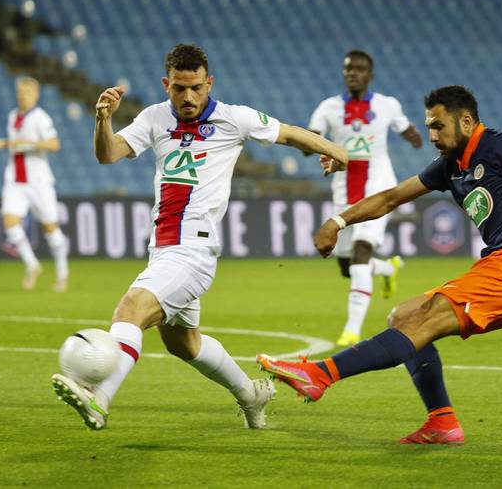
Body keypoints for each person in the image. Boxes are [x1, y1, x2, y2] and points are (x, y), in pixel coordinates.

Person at [51, 43, 348, 431]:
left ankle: (99, 397)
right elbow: (108, 154)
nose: (188, 97)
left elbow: (289, 133)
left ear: (209, 83)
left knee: (131, 309)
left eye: (196, 88)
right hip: (163, 249)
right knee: (184, 345)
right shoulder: (154, 117)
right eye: (179, 88)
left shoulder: (233, 118)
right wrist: (102, 120)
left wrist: (335, 150)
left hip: (193, 249)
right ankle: (250, 393)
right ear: (166, 85)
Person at [257, 85, 502, 444]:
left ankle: (320, 374)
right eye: (428, 128)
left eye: (439, 126)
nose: (432, 136)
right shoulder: (451, 166)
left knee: (424, 320)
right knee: (403, 316)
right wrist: (338, 221)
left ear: (466, 120)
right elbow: (391, 198)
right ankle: (442, 422)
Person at [307, 50, 423, 347]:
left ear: (370, 75)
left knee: (361, 253)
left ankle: (352, 330)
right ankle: (386, 268)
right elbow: (309, 141)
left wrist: (415, 136)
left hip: (379, 190)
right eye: (348, 68)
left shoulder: (387, 105)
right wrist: (313, 145)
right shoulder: (329, 108)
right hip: (344, 193)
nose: (352, 73)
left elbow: (409, 132)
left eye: (359, 69)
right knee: (347, 267)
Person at [0, 76, 69, 292]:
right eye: (19, 92)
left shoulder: (41, 118)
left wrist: (28, 143)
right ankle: (32, 265)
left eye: (26, 92)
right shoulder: (13, 116)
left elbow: (54, 144)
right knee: (10, 221)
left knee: (50, 227)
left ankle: (62, 274)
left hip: (38, 180)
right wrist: (4, 144)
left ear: (36, 95)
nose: (22, 95)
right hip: (15, 179)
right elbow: (14, 144)